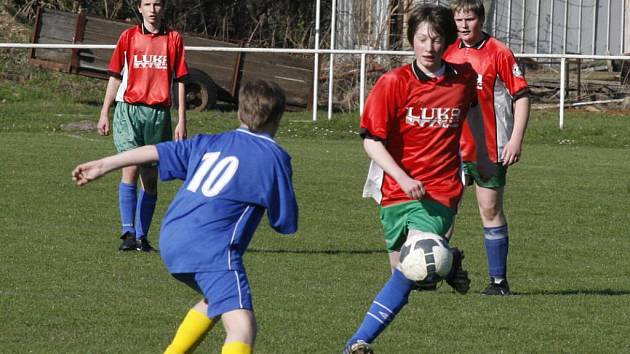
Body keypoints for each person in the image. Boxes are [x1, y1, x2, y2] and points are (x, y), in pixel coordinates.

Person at [74, 80, 298, 354]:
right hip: (210, 248)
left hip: (171, 237)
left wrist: (105, 163)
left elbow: (156, 150)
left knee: (215, 301)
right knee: (242, 326)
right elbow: (284, 222)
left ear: (239, 112)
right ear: (279, 117)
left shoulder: (210, 142)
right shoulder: (274, 157)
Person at [345, 4, 494, 353]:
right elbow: (371, 140)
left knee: (411, 270)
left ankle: (357, 342)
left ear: (448, 41)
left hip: (439, 190)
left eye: (437, 39)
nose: (429, 47)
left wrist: (482, 156)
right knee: (406, 273)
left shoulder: (462, 79)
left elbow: (473, 109)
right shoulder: (393, 83)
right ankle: (448, 262)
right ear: (411, 39)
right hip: (396, 190)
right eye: (422, 38)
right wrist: (401, 175)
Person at [443, 0, 531, 296]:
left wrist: (516, 138)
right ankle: (433, 272)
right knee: (443, 211)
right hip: (450, 148)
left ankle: (498, 282)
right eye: (459, 19)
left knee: (490, 209)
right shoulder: (446, 51)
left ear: (480, 19)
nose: (463, 25)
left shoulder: (499, 52)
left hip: (488, 148)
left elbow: (521, 95)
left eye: (469, 19)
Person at [97, 0, 189, 252]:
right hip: (129, 112)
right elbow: (115, 76)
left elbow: (180, 80)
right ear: (139, 8)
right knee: (130, 168)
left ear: (163, 8)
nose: (152, 9)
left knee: (150, 179)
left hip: (158, 116)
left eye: (157, 4)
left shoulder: (173, 39)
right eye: (147, 4)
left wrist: (181, 119)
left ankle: (142, 237)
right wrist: (104, 112)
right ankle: (128, 232)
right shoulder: (128, 37)